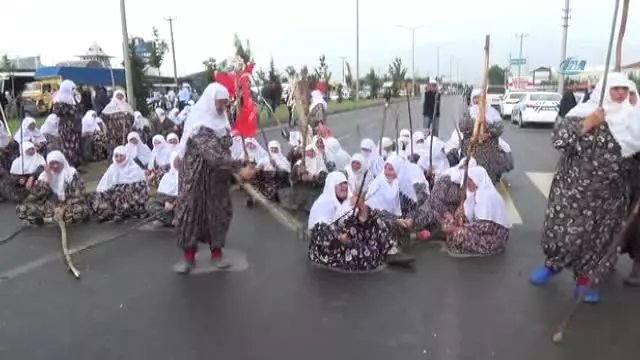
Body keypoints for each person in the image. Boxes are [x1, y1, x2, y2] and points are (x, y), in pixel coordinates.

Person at [529, 73, 640, 304]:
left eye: (624, 89)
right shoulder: (583, 113)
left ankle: (585, 280)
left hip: (611, 196)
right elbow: (559, 140)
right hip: (573, 191)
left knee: (599, 240)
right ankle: (553, 265)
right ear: (604, 90)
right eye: (615, 88)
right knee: (561, 233)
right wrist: (588, 123)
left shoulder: (633, 121)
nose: (620, 93)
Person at [173, 82, 255, 274]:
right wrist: (237, 167)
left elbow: (226, 147)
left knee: (217, 213)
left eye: (225, 103)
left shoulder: (222, 120)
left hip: (216, 179)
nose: (221, 107)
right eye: (219, 103)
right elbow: (214, 154)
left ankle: (217, 253)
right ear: (210, 100)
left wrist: (241, 162)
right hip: (195, 178)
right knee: (191, 213)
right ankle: (189, 257)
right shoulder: (199, 123)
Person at [307, 171, 397, 272]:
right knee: (360, 255)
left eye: (345, 183)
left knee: (373, 217)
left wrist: (361, 206)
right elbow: (320, 229)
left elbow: (362, 219)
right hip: (327, 244)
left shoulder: (349, 200)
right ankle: (371, 254)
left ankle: (387, 249)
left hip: (347, 236)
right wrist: (339, 236)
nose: (343, 187)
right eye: (339, 184)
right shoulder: (323, 203)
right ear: (332, 186)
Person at [441, 166, 510, 257]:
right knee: (450, 224)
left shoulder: (487, 197)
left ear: (478, 180)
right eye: (468, 179)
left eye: (471, 179)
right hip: (481, 230)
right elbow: (467, 215)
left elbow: (484, 227)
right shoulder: (476, 193)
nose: (468, 182)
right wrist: (455, 218)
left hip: (495, 236)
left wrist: (456, 228)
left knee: (459, 235)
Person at [16, 150, 91, 226]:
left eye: (57, 163)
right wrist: (47, 179)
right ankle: (51, 220)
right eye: (52, 163)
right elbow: (32, 198)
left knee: (81, 210)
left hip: (67, 208)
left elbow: (80, 196)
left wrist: (63, 207)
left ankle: (54, 220)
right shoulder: (44, 176)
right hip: (50, 209)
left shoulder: (71, 174)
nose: (55, 166)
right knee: (22, 209)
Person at [459, 89, 507, 183]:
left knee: (487, 180)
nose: (478, 101)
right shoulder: (468, 113)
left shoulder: (492, 112)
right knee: (471, 179)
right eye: (475, 98)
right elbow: (462, 126)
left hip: (489, 155)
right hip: (472, 152)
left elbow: (500, 127)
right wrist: (477, 123)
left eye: (480, 98)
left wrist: (488, 134)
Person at [92, 146, 149, 222]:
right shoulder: (113, 167)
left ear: (126, 156)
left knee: (121, 194)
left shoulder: (134, 168)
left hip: (132, 197)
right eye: (116, 156)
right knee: (100, 195)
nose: (118, 159)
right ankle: (110, 212)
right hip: (117, 193)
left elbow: (142, 188)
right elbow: (104, 183)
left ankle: (118, 212)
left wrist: (125, 189)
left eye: (121, 156)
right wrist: (102, 192)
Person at [52, 80, 83, 167]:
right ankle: (69, 166)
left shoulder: (74, 100)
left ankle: (76, 165)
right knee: (67, 147)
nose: (74, 90)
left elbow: (79, 111)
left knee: (76, 146)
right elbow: (58, 112)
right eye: (72, 89)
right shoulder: (59, 102)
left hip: (76, 126)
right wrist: (69, 110)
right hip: (66, 127)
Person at [146, 151, 181, 227]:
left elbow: (189, 194)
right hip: (167, 202)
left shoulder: (189, 175)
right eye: (176, 160)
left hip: (181, 201)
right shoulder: (167, 176)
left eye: (181, 160)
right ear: (172, 161)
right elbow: (160, 194)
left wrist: (174, 203)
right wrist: (166, 201)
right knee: (150, 203)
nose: (179, 162)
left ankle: (168, 219)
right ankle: (171, 220)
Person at [101, 89, 134, 155]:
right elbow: (104, 118)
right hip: (113, 133)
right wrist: (111, 125)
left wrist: (127, 124)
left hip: (125, 132)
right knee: (114, 149)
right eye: (118, 95)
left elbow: (132, 118)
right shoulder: (109, 106)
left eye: (121, 95)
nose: (119, 97)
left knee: (125, 149)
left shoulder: (127, 106)